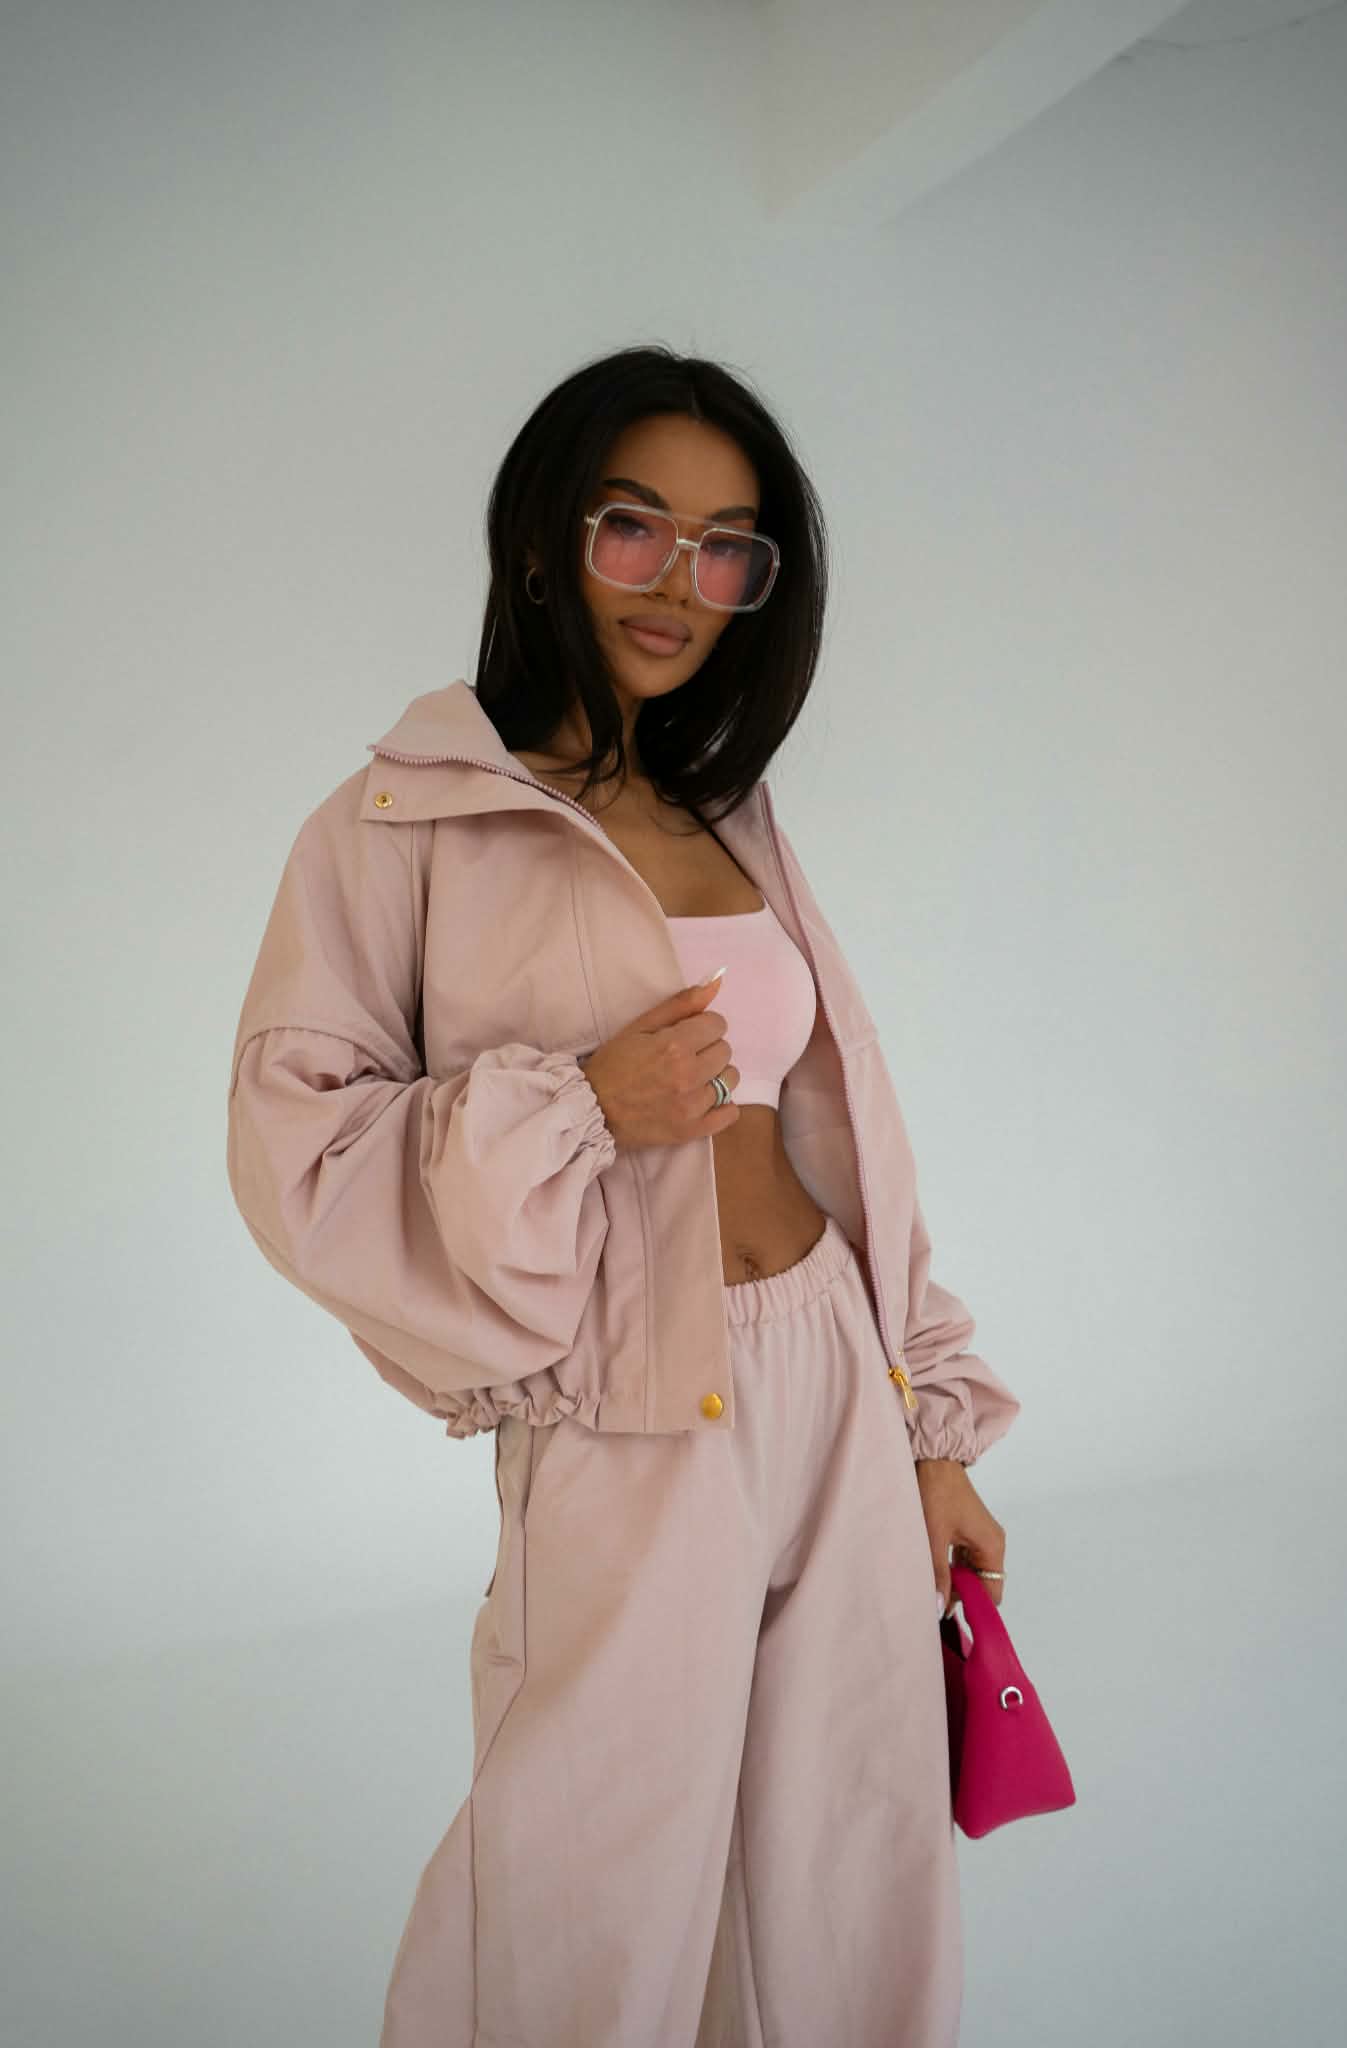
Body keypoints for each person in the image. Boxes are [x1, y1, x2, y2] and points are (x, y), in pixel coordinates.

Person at [226, 345, 1022, 2048]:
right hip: (623, 1404)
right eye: (634, 527)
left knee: (846, 1860)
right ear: (543, 542)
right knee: (589, 1886)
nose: (679, 583)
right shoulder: (402, 820)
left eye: (727, 548)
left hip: (830, 1371)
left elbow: (844, 1137)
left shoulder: (724, 812)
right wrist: (585, 1103)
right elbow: (297, 1147)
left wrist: (928, 1431)